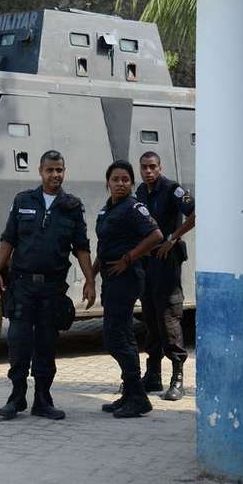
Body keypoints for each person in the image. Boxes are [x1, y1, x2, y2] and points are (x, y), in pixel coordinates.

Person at [0, 150, 96, 420]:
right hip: (23, 285)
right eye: (50, 170)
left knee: (47, 344)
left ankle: (42, 399)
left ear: (64, 172)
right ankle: (16, 397)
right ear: (40, 171)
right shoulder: (23, 200)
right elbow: (8, 239)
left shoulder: (72, 206)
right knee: (18, 341)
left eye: (59, 170)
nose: (55, 175)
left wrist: (90, 280)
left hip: (52, 288)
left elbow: (81, 248)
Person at [94, 160, 163, 418]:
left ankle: (138, 396)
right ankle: (130, 393)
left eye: (125, 179)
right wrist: (90, 276)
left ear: (132, 183)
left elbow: (156, 235)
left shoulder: (134, 207)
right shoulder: (107, 209)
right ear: (108, 182)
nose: (120, 183)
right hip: (110, 279)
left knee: (115, 337)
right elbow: (104, 247)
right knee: (121, 335)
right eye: (116, 179)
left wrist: (129, 258)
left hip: (127, 278)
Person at [136, 151, 196, 401]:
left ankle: (177, 377)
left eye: (152, 167)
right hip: (147, 263)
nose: (148, 171)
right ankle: (153, 375)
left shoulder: (173, 189)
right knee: (149, 316)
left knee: (169, 316)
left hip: (167, 262)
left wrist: (173, 239)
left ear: (160, 168)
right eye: (144, 167)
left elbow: (196, 213)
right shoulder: (140, 191)